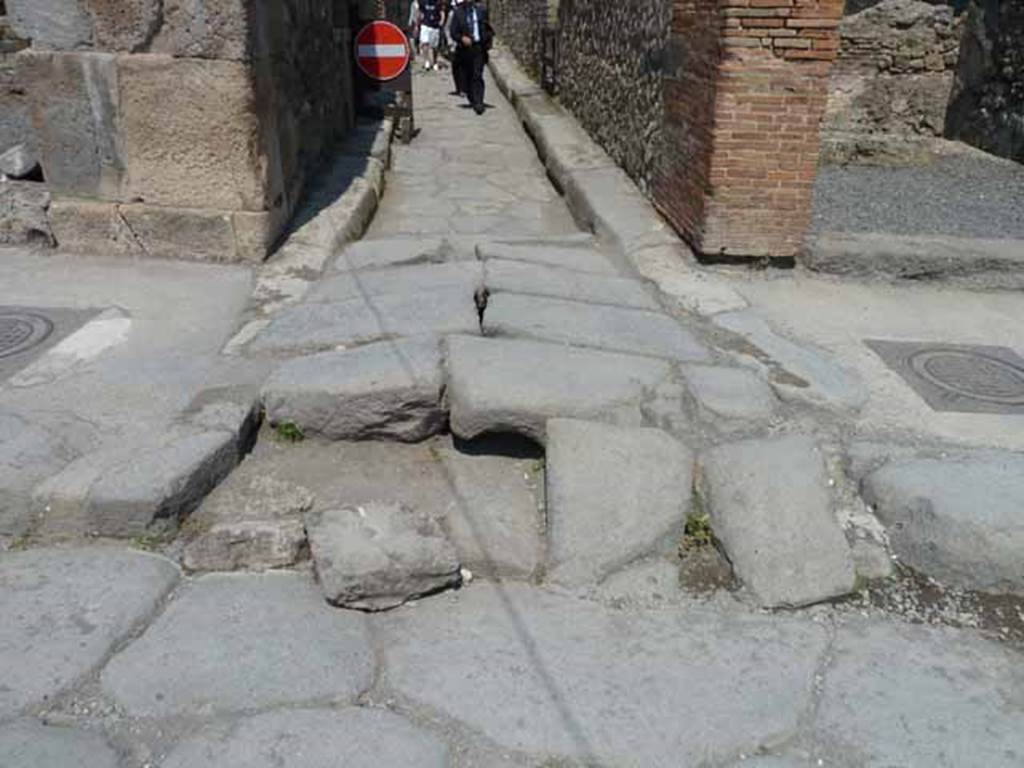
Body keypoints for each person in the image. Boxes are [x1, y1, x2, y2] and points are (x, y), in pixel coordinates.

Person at [449, 0, 491, 114]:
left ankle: (479, 102)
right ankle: (471, 97)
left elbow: (487, 28)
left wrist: (487, 41)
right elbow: (453, 32)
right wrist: (462, 38)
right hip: (464, 49)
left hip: (478, 48)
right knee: (467, 75)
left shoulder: (481, 11)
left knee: (477, 75)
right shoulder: (458, 13)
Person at [418, 0, 444, 71]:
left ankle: (435, 62)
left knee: (435, 47)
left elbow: (442, 12)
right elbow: (420, 12)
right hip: (425, 25)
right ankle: (427, 61)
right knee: (425, 43)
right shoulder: (423, 2)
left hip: (435, 26)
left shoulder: (438, 2)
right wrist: (418, 23)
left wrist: (441, 22)